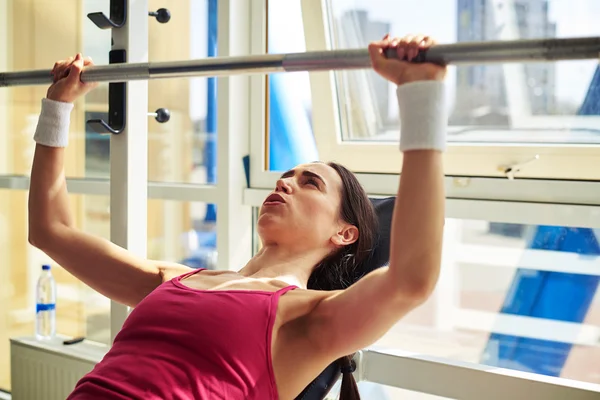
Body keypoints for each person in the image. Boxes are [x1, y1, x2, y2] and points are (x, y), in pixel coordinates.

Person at [28, 34, 447, 400]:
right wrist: (58, 105)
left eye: (310, 183)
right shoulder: (174, 280)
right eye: (285, 177)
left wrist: (420, 95)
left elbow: (410, 281)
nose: (284, 184)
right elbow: (51, 229)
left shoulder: (308, 319)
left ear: (344, 233)